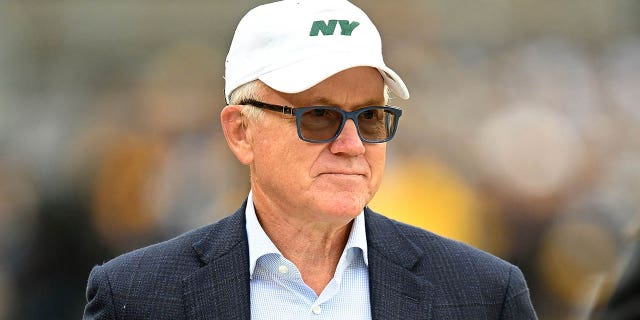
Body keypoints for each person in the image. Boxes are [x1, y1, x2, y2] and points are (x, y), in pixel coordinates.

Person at [83, 0, 537, 319]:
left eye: (371, 116)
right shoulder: (136, 297)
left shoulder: (484, 294)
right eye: (318, 116)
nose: (352, 143)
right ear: (241, 132)